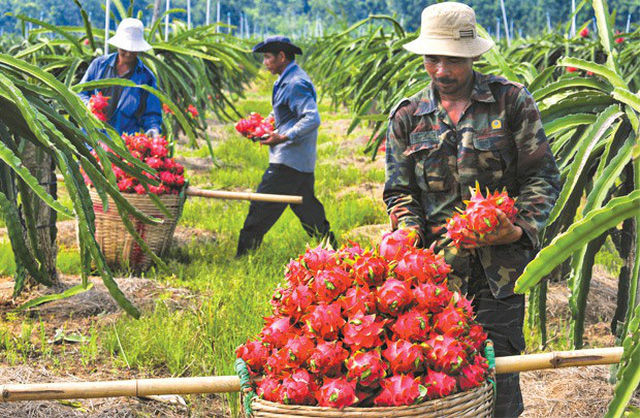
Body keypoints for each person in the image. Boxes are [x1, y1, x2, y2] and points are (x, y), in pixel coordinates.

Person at [383, 3, 560, 417]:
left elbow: (543, 177)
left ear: (474, 56)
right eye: (433, 58)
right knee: (438, 379)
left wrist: (517, 229)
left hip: (501, 271)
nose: (441, 70)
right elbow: (399, 191)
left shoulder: (511, 102)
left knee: (499, 379)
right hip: (433, 275)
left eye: (453, 60)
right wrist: (407, 231)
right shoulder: (408, 116)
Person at [236, 36, 336, 257]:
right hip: (299, 161)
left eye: (268, 57)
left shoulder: (295, 83)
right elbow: (281, 112)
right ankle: (333, 251)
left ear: (282, 56)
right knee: (308, 210)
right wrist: (262, 126)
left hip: (288, 161)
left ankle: (243, 258)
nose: (265, 63)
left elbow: (312, 118)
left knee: (260, 208)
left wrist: (282, 137)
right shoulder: (285, 79)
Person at [78, 18, 162, 138]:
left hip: (125, 145)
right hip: (92, 140)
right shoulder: (99, 65)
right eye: (124, 48)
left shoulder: (146, 78)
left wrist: (153, 129)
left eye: (133, 49)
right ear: (118, 45)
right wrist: (89, 104)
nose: (128, 53)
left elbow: (151, 114)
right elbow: (80, 93)